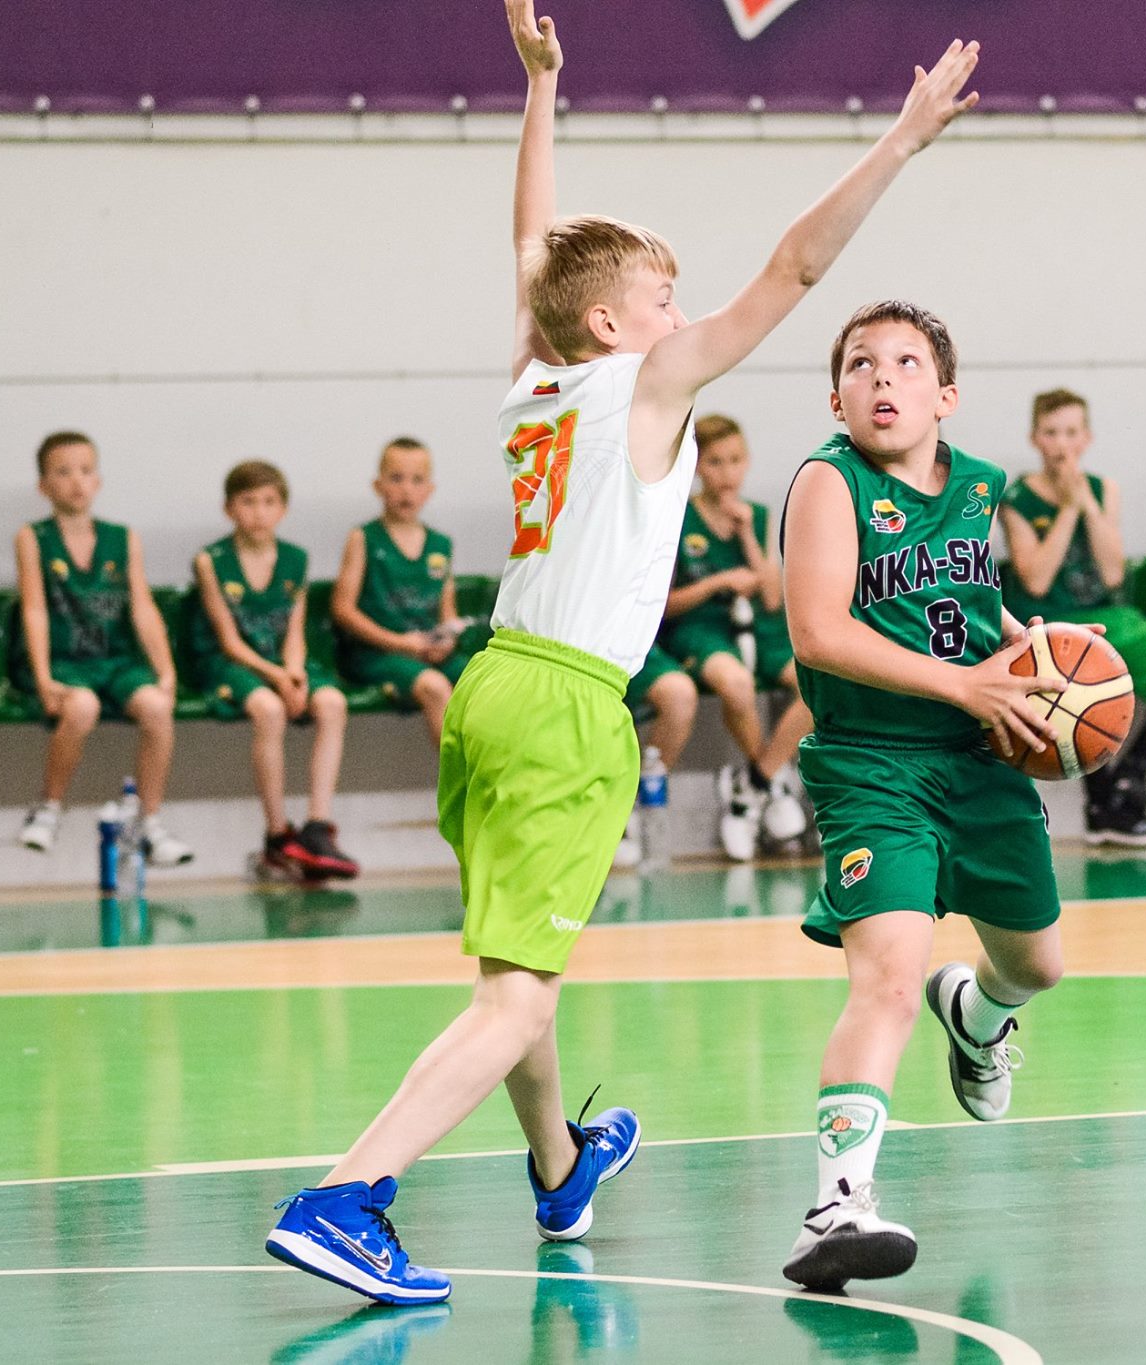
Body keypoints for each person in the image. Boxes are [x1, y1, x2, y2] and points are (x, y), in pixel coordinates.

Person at [264, 1, 984, 1307]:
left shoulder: (535, 382)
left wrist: (539, 89)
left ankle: (560, 1165)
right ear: (610, 326)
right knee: (514, 998)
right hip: (567, 708)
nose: (682, 313)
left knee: (520, 968)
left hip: (492, 684)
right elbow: (792, 274)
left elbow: (532, 250)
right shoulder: (648, 385)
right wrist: (897, 143)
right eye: (662, 300)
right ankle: (346, 1198)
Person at [779, 300, 1067, 1293]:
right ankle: (835, 1206)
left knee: (1036, 965)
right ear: (837, 399)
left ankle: (977, 1014)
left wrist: (1023, 653)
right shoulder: (829, 481)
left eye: (906, 363)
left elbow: (962, 602)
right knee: (888, 982)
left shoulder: (980, 487)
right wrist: (963, 684)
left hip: (977, 760)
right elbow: (818, 632)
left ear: (945, 396)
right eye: (860, 364)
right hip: (871, 765)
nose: (881, 378)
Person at [1000, 389, 1146, 846]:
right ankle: (1103, 806)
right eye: (1051, 433)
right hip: (1048, 621)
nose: (1062, 444)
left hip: (1113, 617)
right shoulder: (1017, 498)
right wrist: (1067, 509)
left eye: (1071, 433)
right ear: (1035, 439)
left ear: (1087, 438)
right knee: (1072, 686)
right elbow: (1036, 580)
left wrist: (1088, 505)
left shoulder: (1104, 490)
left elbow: (1113, 572)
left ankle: (1133, 770)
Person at [11, 431, 192, 865]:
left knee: (156, 707)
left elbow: (142, 607)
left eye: (86, 471)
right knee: (82, 708)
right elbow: (34, 610)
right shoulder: (33, 538)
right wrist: (43, 678)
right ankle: (49, 808)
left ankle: (149, 822)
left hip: (114, 659)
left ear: (98, 481)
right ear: (44, 486)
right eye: (63, 472)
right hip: (63, 660)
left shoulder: (122, 538)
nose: (77, 481)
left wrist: (165, 669)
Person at [186, 461, 359, 879]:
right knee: (268, 709)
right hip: (229, 662)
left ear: (283, 509)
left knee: (332, 703)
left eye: (269, 502)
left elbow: (295, 631)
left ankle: (317, 826)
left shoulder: (296, 558)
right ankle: (277, 833)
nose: (259, 512)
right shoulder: (211, 561)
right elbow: (229, 641)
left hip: (281, 661)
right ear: (229, 508)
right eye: (248, 502)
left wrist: (294, 672)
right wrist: (279, 678)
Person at [660, 413, 812, 860]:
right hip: (702, 629)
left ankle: (757, 780)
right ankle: (775, 787)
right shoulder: (677, 515)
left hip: (760, 628)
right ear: (696, 466)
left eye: (736, 460)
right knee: (737, 684)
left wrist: (747, 534)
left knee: (819, 684)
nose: (728, 473)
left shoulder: (758, 516)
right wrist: (716, 583)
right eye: (715, 462)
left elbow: (772, 599)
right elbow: (662, 604)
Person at [330, 437, 473, 746]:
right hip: (377, 654)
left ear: (430, 489)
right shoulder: (364, 538)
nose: (406, 489)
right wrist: (399, 643)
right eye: (396, 478)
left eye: (417, 480)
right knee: (434, 686)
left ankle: (488, 766)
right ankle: (455, 773)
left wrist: (447, 639)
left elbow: (447, 612)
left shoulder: (441, 544)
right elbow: (342, 609)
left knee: (481, 680)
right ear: (378, 485)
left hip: (426, 651)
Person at [613, 644, 698, 869]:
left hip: (633, 647)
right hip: (584, 650)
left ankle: (636, 809)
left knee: (679, 694)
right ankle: (607, 813)